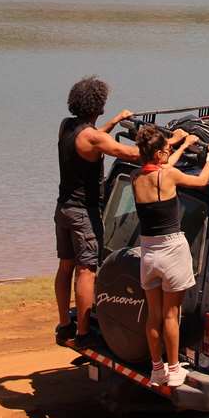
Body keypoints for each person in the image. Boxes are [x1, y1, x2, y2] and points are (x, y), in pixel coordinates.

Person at [55, 77, 140, 349]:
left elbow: (94, 138)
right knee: (87, 270)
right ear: (98, 105)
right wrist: (169, 144)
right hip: (83, 213)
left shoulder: (67, 126)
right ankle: (83, 332)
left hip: (63, 209)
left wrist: (115, 121)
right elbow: (130, 153)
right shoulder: (94, 138)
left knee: (65, 266)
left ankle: (64, 325)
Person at [133, 124, 209, 388]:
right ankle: (174, 368)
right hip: (172, 249)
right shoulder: (168, 175)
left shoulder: (137, 178)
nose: (169, 153)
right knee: (172, 314)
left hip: (148, 252)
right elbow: (201, 181)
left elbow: (165, 169)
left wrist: (179, 145)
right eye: (166, 150)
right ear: (158, 154)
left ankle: (157, 369)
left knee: (154, 315)